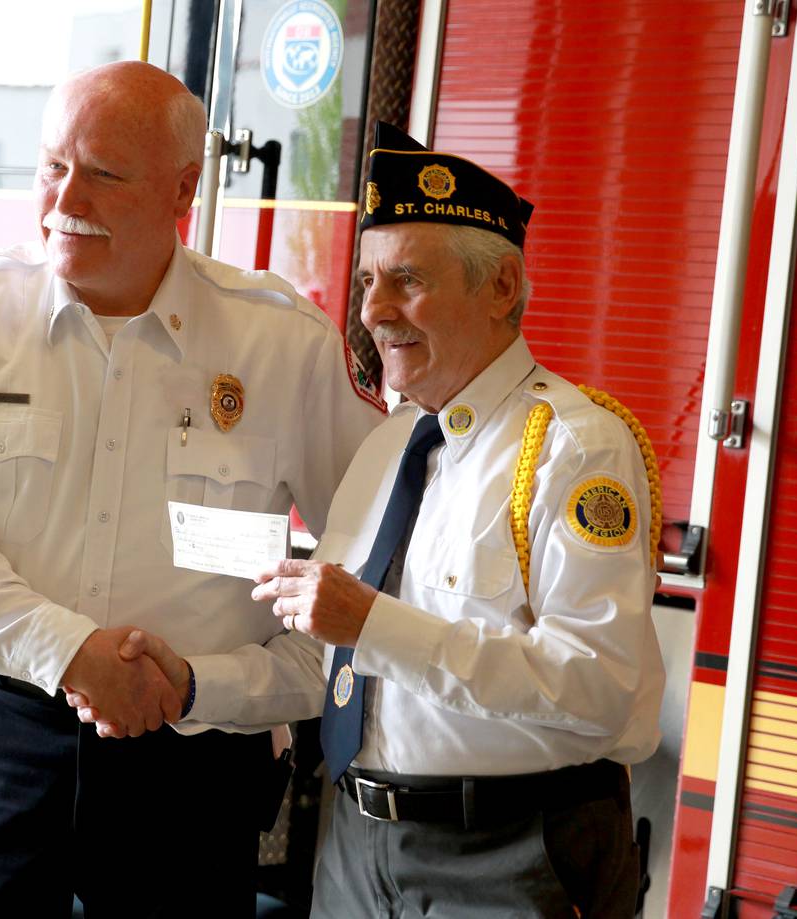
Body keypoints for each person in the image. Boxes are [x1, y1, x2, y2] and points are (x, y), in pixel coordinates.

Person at [0, 61, 384, 918]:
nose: (68, 197)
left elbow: (367, 569)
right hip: (0, 741)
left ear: (185, 188)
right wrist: (69, 650)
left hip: (192, 769)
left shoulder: (278, 343)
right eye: (52, 166)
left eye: (103, 173)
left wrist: (211, 686)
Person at [115, 122, 666, 917]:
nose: (374, 311)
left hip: (509, 854)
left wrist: (375, 624)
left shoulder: (575, 448)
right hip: (357, 847)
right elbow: (324, 665)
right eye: (367, 280)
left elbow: (598, 687)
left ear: (502, 288)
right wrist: (194, 684)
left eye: (406, 279)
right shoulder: (388, 449)